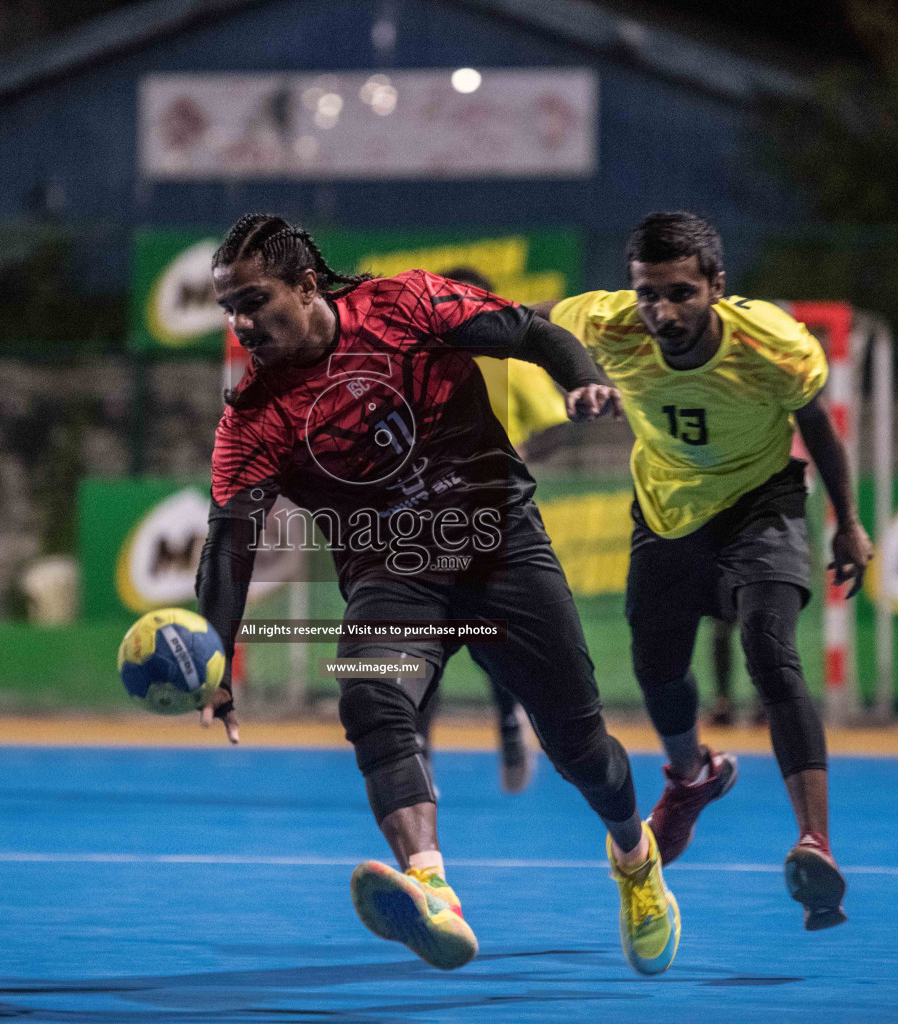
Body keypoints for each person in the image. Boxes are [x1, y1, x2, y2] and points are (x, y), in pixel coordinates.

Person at [196, 214, 680, 974]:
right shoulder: (252, 416)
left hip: (499, 545)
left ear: (306, 285)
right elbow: (231, 544)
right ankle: (432, 891)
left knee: (580, 749)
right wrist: (214, 655)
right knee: (370, 696)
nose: (241, 322)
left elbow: (528, 331)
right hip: (393, 573)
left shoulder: (405, 306)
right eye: (228, 309)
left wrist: (582, 376)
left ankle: (634, 856)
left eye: (254, 301)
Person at [536, 211, 872, 930]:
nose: (663, 311)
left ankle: (815, 840)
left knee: (770, 652)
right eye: (648, 294)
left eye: (682, 293)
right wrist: (579, 376)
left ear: (717, 286)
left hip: (762, 500)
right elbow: (534, 322)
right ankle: (692, 778)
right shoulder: (610, 323)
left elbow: (816, 423)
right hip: (667, 508)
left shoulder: (772, 345)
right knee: (656, 670)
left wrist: (848, 521)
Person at [409, 266, 573, 794]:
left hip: (494, 522)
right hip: (425, 523)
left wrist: (520, 452)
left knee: (490, 639)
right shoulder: (410, 366)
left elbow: (557, 424)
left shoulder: (510, 364)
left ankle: (508, 721)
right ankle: (419, 759)